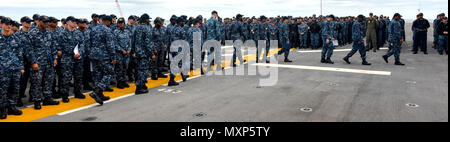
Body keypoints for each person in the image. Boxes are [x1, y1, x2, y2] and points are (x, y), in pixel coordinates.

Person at [28, 16, 60, 109]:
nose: (46, 23)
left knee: (48, 81)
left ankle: (47, 98)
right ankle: (37, 100)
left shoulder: (49, 33)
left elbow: (53, 46)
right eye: (44, 22)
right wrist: (34, 62)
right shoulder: (33, 33)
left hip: (49, 61)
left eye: (47, 22)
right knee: (37, 82)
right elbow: (29, 49)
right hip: (38, 62)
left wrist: (55, 58)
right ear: (39, 22)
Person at [57, 16, 86, 102]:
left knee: (78, 76)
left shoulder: (78, 33)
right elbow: (62, 46)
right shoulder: (62, 33)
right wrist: (73, 53)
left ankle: (78, 92)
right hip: (67, 59)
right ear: (68, 22)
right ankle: (65, 95)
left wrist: (79, 52)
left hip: (78, 58)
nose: (74, 23)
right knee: (66, 77)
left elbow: (82, 44)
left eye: (75, 21)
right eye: (73, 21)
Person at [0, 17, 24, 119]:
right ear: (1, 24)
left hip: (15, 69)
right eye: (6, 24)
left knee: (14, 89)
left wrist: (21, 67)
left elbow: (20, 54)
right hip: (2, 69)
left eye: (10, 24)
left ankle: (11, 107)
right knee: (2, 90)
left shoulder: (15, 38)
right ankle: (2, 109)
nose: (8, 26)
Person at [89, 15, 115, 105]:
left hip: (93, 55)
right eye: (110, 22)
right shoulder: (107, 30)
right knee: (109, 72)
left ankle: (99, 95)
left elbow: (89, 42)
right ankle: (97, 91)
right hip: (103, 56)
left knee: (97, 75)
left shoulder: (93, 29)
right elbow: (110, 45)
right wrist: (113, 57)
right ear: (107, 21)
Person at [131, 14, 152, 94]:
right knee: (144, 71)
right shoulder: (146, 29)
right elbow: (148, 43)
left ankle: (142, 85)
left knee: (139, 69)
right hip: (144, 53)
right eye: (148, 19)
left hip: (138, 53)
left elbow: (132, 41)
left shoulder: (136, 28)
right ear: (145, 20)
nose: (149, 21)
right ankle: (139, 87)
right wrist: (151, 54)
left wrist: (133, 51)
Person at [16, 16, 33, 107]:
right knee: (21, 82)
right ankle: (18, 99)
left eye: (30, 22)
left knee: (34, 81)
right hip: (22, 62)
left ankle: (32, 96)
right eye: (27, 22)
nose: (29, 24)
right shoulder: (17, 35)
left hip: (32, 61)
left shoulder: (33, 34)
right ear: (22, 23)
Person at [113, 18, 132, 89]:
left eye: (122, 23)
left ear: (124, 23)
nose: (120, 24)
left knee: (125, 67)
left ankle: (124, 81)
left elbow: (130, 41)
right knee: (119, 68)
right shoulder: (115, 32)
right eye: (119, 23)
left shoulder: (127, 31)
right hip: (119, 53)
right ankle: (119, 82)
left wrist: (129, 49)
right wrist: (122, 50)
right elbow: (115, 43)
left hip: (127, 53)